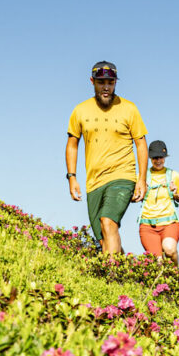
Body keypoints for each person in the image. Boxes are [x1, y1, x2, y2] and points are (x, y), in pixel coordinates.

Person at [66, 61, 148, 256]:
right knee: (104, 239)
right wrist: (72, 176)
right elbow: (72, 144)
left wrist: (142, 180)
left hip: (123, 176)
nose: (106, 87)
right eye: (101, 82)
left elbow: (141, 143)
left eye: (110, 83)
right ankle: (124, 270)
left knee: (108, 221)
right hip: (94, 182)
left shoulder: (129, 109)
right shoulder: (80, 110)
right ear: (92, 81)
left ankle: (112, 276)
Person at [138, 140, 179, 264]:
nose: (158, 160)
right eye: (155, 157)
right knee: (157, 262)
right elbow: (133, 198)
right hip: (148, 225)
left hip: (169, 222)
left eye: (161, 157)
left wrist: (175, 193)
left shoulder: (173, 175)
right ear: (150, 158)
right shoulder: (142, 176)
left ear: (165, 157)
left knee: (170, 250)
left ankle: (176, 275)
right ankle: (163, 283)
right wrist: (142, 191)